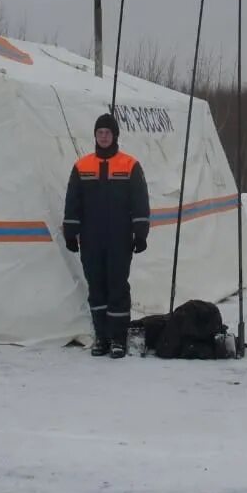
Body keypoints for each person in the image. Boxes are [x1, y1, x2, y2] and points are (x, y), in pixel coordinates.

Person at [62, 112, 150, 358]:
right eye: (99, 133)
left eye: (107, 133)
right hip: (90, 239)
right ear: (95, 136)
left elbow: (140, 202)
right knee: (97, 288)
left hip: (119, 239)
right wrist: (71, 233)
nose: (103, 137)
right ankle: (101, 337)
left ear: (115, 136)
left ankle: (118, 339)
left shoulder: (130, 165)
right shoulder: (82, 166)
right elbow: (73, 203)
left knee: (117, 287)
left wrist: (140, 233)